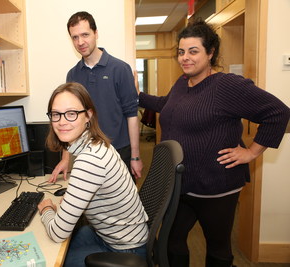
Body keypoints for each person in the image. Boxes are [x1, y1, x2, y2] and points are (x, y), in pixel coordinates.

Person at [135, 19, 290, 267]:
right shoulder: (182, 83)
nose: (185, 58)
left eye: (193, 51)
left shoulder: (227, 86)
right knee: (172, 241)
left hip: (216, 185)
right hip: (181, 183)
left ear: (210, 53)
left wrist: (251, 152)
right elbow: (167, 105)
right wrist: (139, 96)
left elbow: (278, 113)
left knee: (217, 248)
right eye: (181, 52)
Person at [38, 82, 149, 267]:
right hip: (119, 235)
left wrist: (46, 210)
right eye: (56, 114)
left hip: (124, 249)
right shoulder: (97, 144)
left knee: (50, 261)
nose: (62, 121)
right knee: (73, 237)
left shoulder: (89, 160)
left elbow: (58, 232)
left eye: (71, 113)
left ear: (88, 116)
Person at [49, 11, 142, 183]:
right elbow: (69, 120)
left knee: (120, 206)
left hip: (120, 152)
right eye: (75, 37)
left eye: (85, 35)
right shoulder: (73, 74)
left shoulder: (120, 69)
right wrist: (65, 159)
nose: (80, 42)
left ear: (96, 33)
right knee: (93, 208)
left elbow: (131, 116)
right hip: (87, 155)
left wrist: (135, 157)